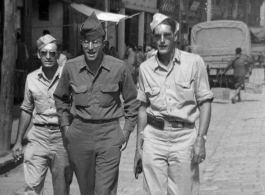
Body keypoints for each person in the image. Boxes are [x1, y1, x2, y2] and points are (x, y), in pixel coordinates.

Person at [53, 12, 140, 195]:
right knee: (87, 190)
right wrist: (66, 127)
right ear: (81, 42)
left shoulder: (119, 68)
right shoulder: (71, 67)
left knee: (103, 190)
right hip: (79, 134)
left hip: (109, 134)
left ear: (103, 42)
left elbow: (132, 100)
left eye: (95, 42)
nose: (91, 47)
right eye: (86, 42)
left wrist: (126, 132)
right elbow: (61, 97)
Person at [134, 13, 213, 195]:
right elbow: (142, 108)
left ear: (175, 36)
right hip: (154, 138)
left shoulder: (194, 63)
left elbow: (205, 103)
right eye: (157, 36)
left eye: (167, 35)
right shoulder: (145, 68)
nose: (162, 40)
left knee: (184, 192)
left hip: (184, 139)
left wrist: (201, 139)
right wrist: (139, 148)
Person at [11, 34, 72, 195]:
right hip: (38, 136)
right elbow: (26, 109)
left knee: (62, 189)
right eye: (44, 52)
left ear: (58, 55)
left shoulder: (68, 78)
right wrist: (18, 141)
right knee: (32, 188)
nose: (48, 56)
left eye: (52, 53)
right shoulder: (31, 79)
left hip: (61, 139)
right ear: (38, 54)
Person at [14, 32, 29, 104]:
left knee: (16, 84)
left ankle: (16, 98)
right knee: (22, 84)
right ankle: (21, 97)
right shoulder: (23, 45)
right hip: (23, 68)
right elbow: (27, 56)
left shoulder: (15, 45)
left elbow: (15, 57)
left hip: (16, 67)